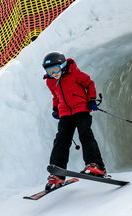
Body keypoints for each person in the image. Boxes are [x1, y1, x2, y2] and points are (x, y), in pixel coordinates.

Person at [42, 51, 106, 190]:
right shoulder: (50, 82)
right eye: (49, 70)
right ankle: (57, 174)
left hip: (81, 109)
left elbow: (89, 84)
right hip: (65, 113)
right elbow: (56, 96)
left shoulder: (74, 73)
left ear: (63, 65)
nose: (53, 73)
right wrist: (55, 108)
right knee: (61, 139)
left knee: (85, 134)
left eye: (55, 69)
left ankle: (95, 165)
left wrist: (92, 100)